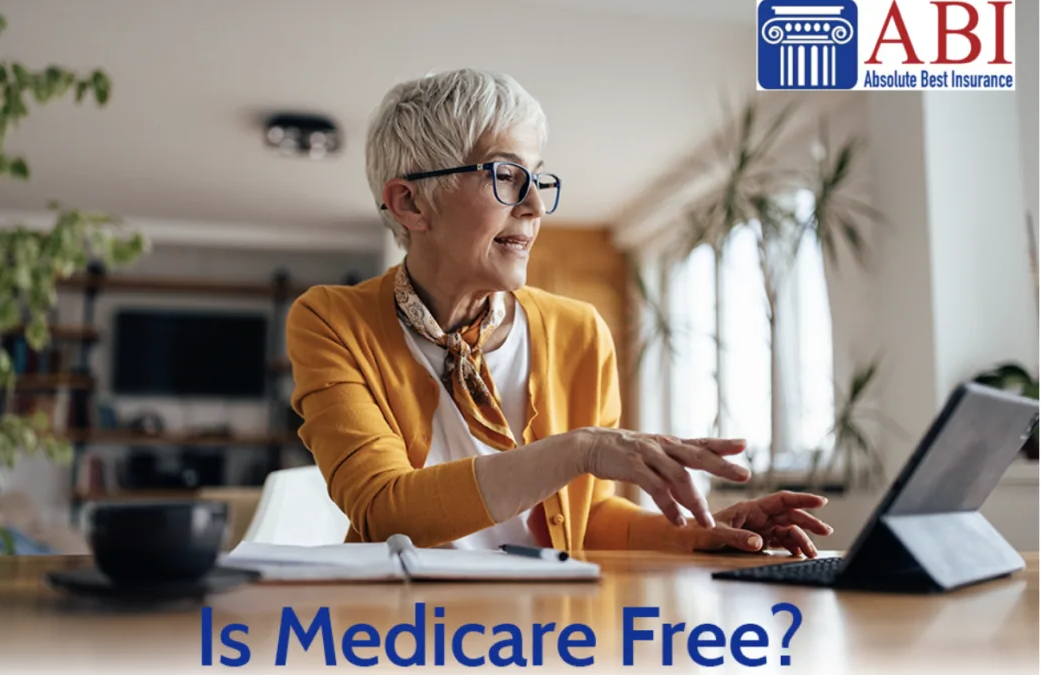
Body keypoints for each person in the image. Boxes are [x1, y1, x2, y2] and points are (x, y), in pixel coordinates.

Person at [286, 68, 832, 556]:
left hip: (549, 625)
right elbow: (385, 511)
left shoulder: (580, 331)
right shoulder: (331, 321)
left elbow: (586, 518)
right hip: (397, 631)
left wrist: (699, 530)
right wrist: (580, 448)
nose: (535, 206)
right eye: (505, 176)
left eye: (538, 179)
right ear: (410, 203)